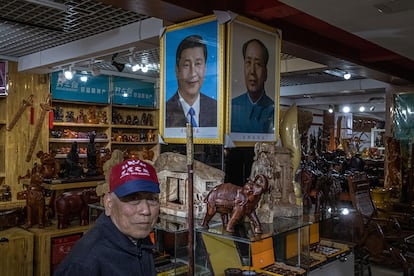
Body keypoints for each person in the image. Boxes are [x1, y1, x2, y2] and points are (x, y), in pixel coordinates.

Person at [54, 159, 161, 276]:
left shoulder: (140, 240)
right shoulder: (83, 263)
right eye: (134, 199)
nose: (146, 210)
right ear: (108, 203)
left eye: (152, 199)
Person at [166, 34, 217, 128]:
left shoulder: (216, 109)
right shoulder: (165, 112)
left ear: (205, 68)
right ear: (177, 70)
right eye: (186, 65)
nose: (193, 73)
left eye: (198, 64)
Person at [231, 39, 274, 133]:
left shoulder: (273, 110)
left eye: (258, 64)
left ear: (265, 73)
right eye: (248, 63)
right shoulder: (232, 108)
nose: (252, 71)